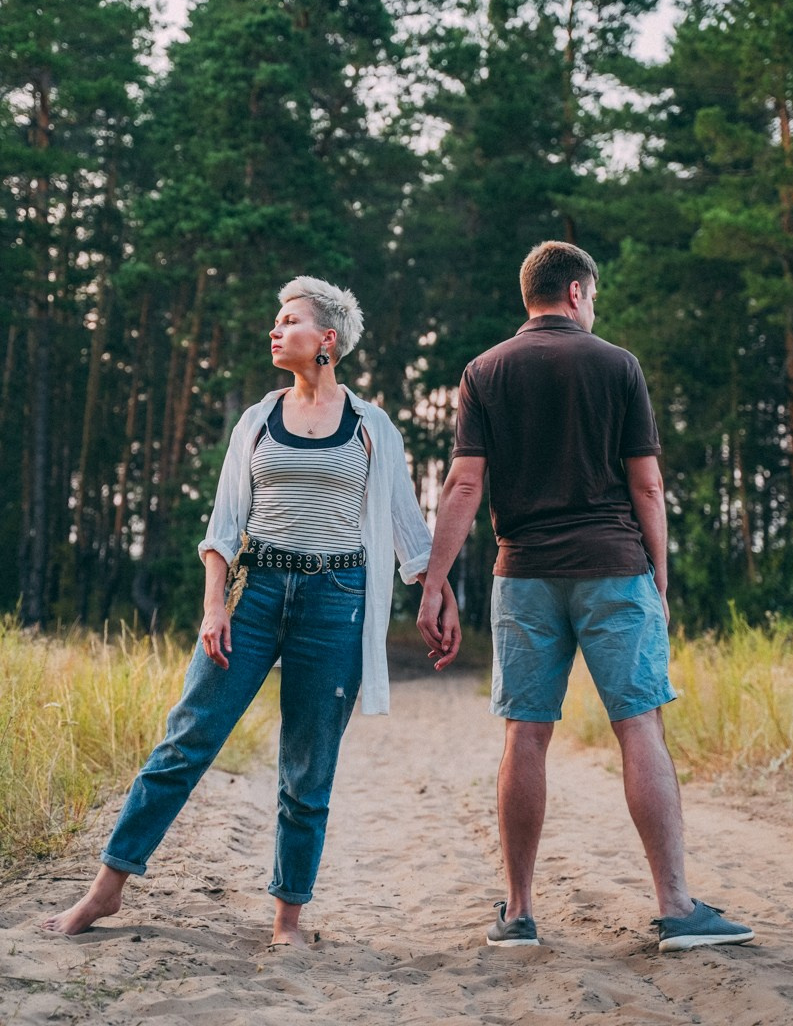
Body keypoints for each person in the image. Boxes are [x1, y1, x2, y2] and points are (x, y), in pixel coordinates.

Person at [45, 275, 459, 945]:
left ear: (326, 340)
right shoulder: (258, 419)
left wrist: (435, 591)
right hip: (256, 592)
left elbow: (409, 528)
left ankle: (287, 919)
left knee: (308, 763)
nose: (275, 330)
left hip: (337, 601)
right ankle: (105, 890)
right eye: (275, 319)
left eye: (290, 320)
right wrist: (215, 607)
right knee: (186, 739)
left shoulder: (372, 426)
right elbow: (223, 525)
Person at [417, 241, 754, 953]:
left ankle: (518, 915)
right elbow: (649, 486)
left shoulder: (483, 372)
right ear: (576, 292)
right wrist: (657, 573)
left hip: (524, 574)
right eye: (592, 296)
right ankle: (676, 907)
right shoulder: (617, 364)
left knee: (525, 733)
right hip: (613, 566)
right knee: (639, 727)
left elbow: (465, 486)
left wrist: (436, 581)